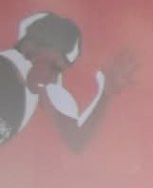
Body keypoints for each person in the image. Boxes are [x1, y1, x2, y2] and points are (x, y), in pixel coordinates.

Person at [0, 12, 131, 150]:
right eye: (53, 66)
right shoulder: (9, 70)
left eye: (59, 71)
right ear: (29, 49)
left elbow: (76, 140)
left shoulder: (38, 85)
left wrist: (105, 93)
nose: (52, 78)